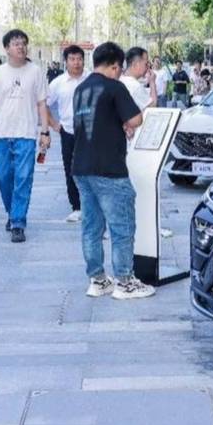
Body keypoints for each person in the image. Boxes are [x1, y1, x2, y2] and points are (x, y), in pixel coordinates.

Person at [72, 42, 154, 300]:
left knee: (91, 227)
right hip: (108, 168)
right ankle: (125, 281)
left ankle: (97, 280)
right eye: (119, 69)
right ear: (116, 65)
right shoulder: (114, 87)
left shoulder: (81, 89)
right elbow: (135, 119)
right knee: (122, 227)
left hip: (81, 166)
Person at [0, 29, 51, 243]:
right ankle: (13, 213)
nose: (20, 47)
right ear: (6, 48)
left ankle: (18, 222)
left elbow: (42, 103)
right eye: (15, 43)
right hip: (2, 134)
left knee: (23, 179)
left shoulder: (35, 71)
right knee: (4, 178)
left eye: (23, 43)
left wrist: (45, 131)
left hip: (26, 134)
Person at [47, 45, 89, 223]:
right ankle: (77, 206)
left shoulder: (91, 79)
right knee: (71, 169)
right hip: (68, 132)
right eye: (72, 59)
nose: (76, 62)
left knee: (91, 169)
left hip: (91, 131)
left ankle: (91, 205)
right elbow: (44, 104)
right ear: (66, 61)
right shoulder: (58, 83)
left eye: (79, 59)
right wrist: (54, 124)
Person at [120, 47, 158, 111]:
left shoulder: (120, 79)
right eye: (146, 64)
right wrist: (152, 83)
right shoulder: (134, 86)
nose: (148, 67)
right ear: (136, 65)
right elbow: (152, 107)